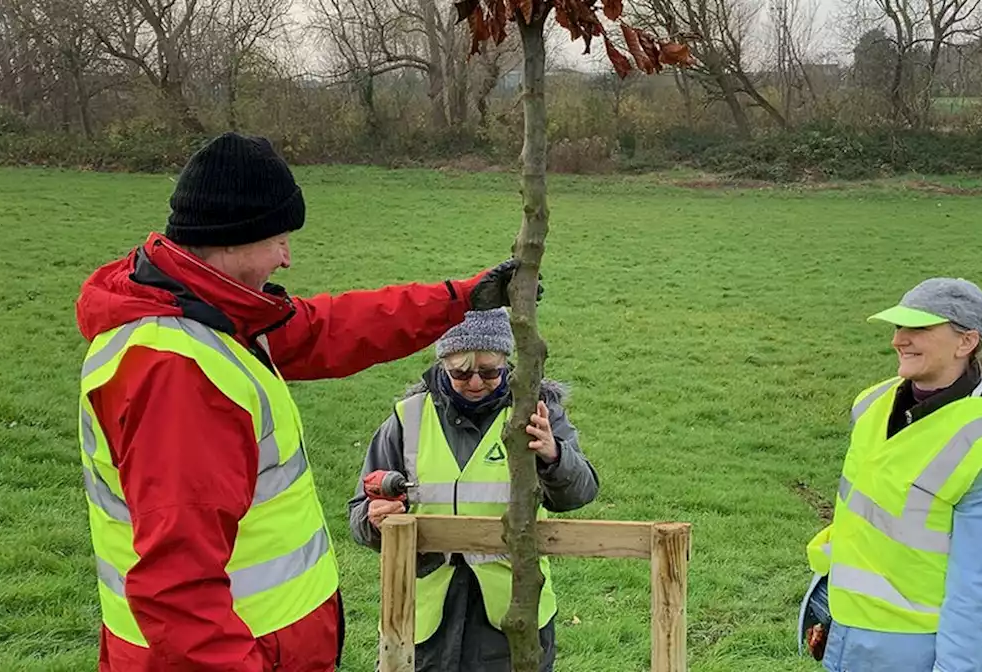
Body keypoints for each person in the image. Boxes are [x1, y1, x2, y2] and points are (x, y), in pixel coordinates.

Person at [74, 132, 539, 672]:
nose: (288, 258)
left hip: (268, 640)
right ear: (232, 239)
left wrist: (459, 300)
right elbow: (176, 591)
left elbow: (328, 329)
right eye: (278, 239)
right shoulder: (177, 376)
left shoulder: (214, 314)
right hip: (237, 651)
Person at [797, 277, 982, 672]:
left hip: (907, 651)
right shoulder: (875, 402)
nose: (899, 339)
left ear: (965, 342)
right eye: (898, 327)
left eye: (918, 328)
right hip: (842, 628)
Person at [349, 307, 599, 672]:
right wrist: (374, 520)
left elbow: (581, 492)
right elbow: (360, 512)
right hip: (421, 619)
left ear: (507, 363)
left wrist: (554, 455)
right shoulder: (408, 418)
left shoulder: (536, 411)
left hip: (512, 615)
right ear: (443, 364)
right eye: (461, 373)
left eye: (490, 371)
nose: (476, 382)